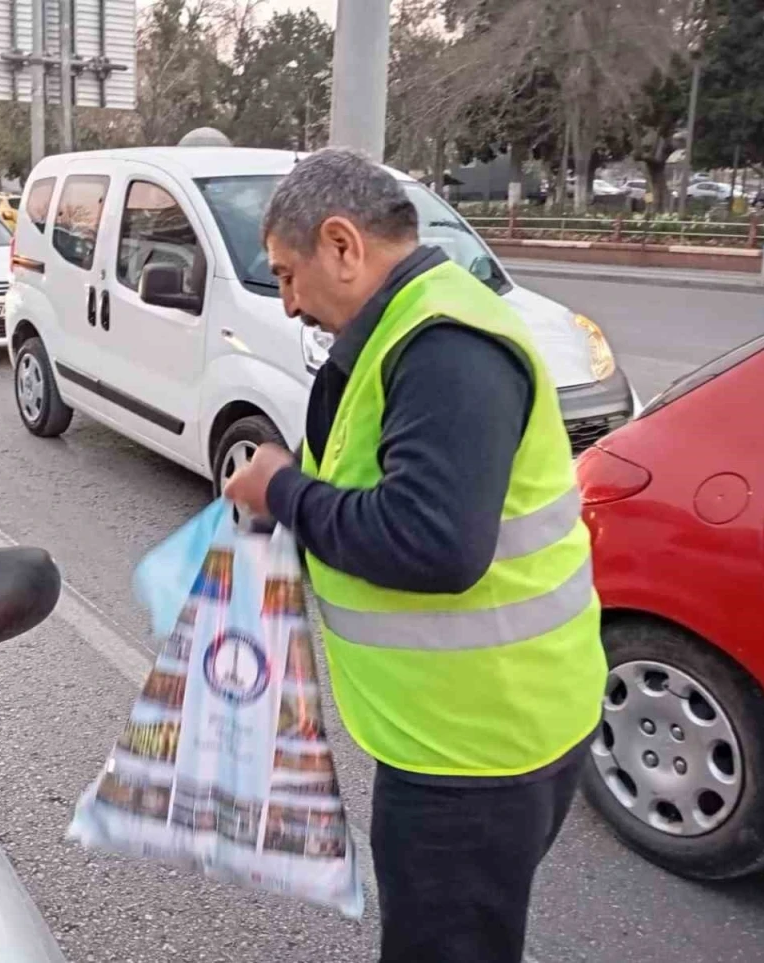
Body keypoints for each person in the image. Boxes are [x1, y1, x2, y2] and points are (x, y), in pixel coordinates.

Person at [224, 149, 607, 963]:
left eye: (289, 275)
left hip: (477, 748)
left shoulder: (444, 346)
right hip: (478, 727)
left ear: (342, 245)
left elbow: (434, 542)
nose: (287, 301)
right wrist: (283, 488)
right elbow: (359, 474)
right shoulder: (401, 327)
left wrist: (284, 495)